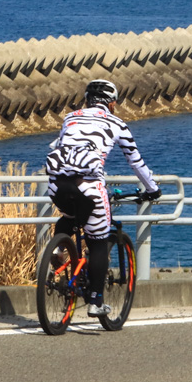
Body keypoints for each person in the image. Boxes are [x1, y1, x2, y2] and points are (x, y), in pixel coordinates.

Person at [45, 79, 161, 317]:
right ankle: (96, 302)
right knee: (99, 241)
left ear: (86, 100)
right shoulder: (118, 123)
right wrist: (153, 189)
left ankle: (58, 252)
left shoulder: (70, 117)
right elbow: (135, 161)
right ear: (112, 103)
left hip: (57, 183)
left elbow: (62, 145)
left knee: (69, 215)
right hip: (89, 184)